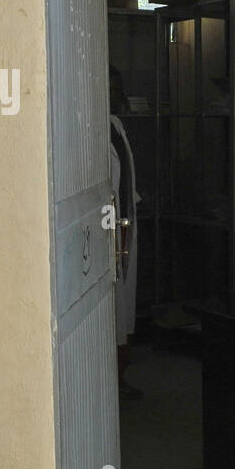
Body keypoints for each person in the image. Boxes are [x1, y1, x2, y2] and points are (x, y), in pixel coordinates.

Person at [109, 65, 141, 400]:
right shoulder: (90, 131)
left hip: (127, 224)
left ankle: (120, 380)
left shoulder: (116, 125)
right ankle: (111, 385)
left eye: (118, 88)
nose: (117, 95)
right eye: (111, 88)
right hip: (111, 227)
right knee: (112, 310)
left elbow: (126, 179)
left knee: (123, 310)